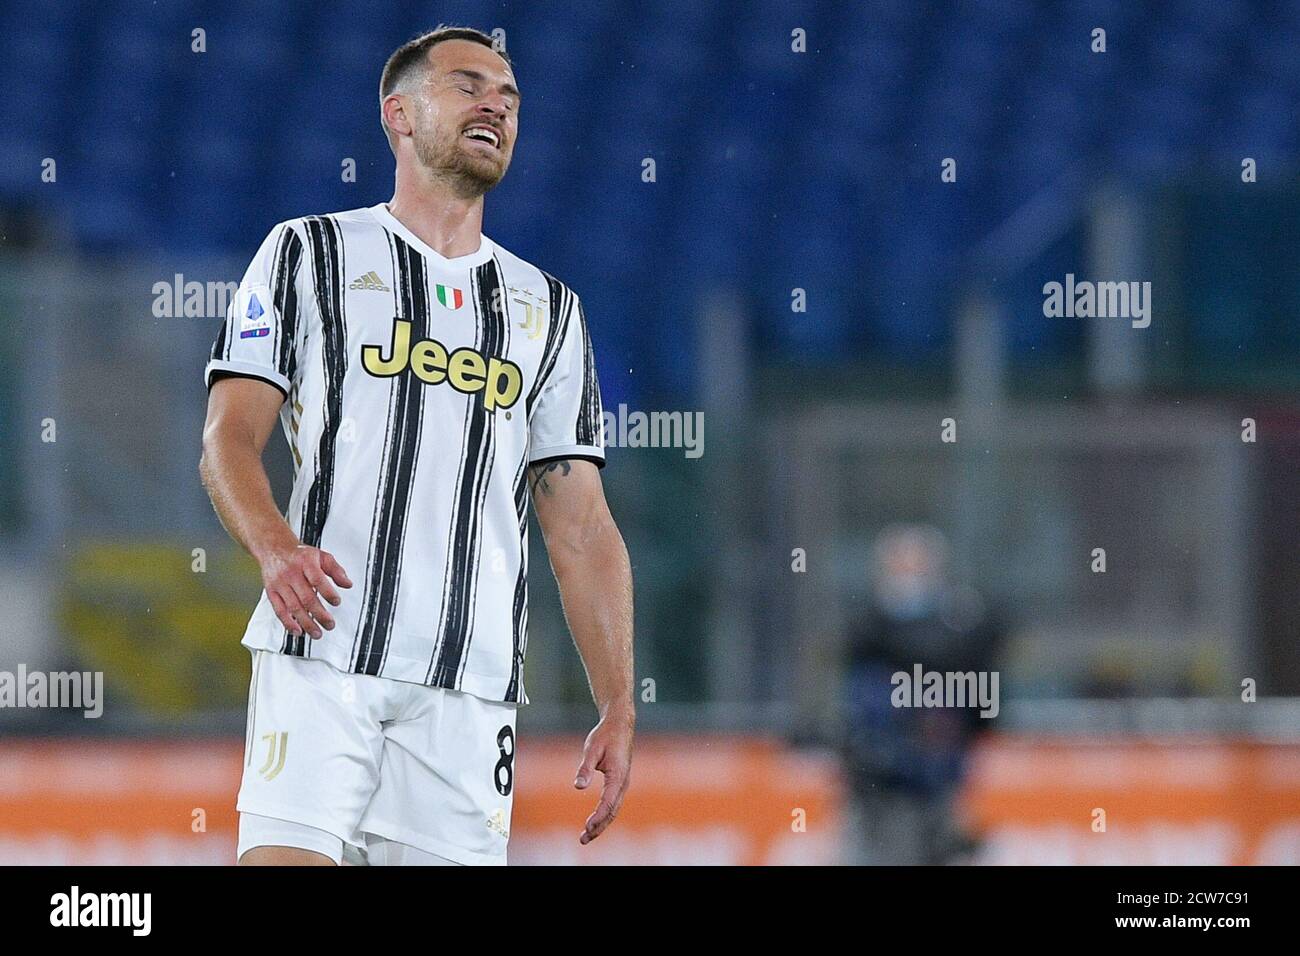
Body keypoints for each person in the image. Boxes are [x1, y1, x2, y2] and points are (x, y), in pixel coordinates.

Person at [199, 25, 635, 866]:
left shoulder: (548, 310)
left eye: (508, 97)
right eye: (468, 86)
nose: (495, 107)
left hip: (468, 690)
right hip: (324, 652)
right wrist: (275, 548)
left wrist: (618, 700)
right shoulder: (308, 253)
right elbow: (228, 435)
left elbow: (580, 526)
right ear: (398, 115)